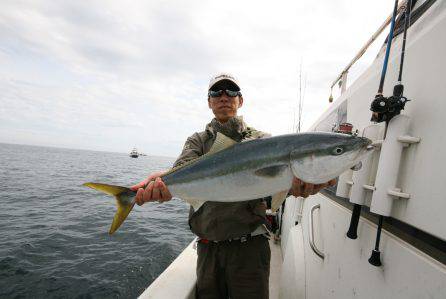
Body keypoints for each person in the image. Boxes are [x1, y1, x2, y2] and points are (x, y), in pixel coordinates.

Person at [131, 73, 335, 299]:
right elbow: (183, 170)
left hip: (249, 250)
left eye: (231, 92)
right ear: (209, 102)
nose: (224, 97)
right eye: (216, 92)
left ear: (241, 100)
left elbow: (269, 191)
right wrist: (164, 182)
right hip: (208, 250)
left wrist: (290, 189)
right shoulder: (197, 141)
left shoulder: (261, 141)